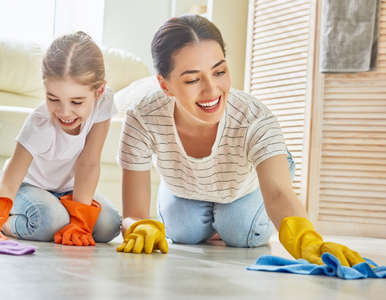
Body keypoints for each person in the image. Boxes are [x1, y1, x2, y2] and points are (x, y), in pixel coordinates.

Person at [116, 15, 365, 267]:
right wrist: (137, 225)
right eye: (192, 79)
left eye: (220, 71)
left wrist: (306, 239)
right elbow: (133, 213)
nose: (212, 90)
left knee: (240, 231)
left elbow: (278, 193)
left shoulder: (254, 118)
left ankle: (223, 219)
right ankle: (211, 215)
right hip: (186, 183)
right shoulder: (142, 117)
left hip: (247, 182)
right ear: (165, 85)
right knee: (182, 234)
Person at [0, 31, 121, 246]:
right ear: (45, 87)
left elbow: (89, 161)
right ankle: (7, 223)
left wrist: (80, 221)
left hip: (67, 190)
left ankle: (62, 214)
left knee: (109, 226)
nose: (64, 113)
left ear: (99, 91)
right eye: (53, 98)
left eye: (76, 102)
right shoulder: (39, 123)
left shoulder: (104, 102)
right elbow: (10, 180)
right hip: (27, 187)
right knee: (48, 221)